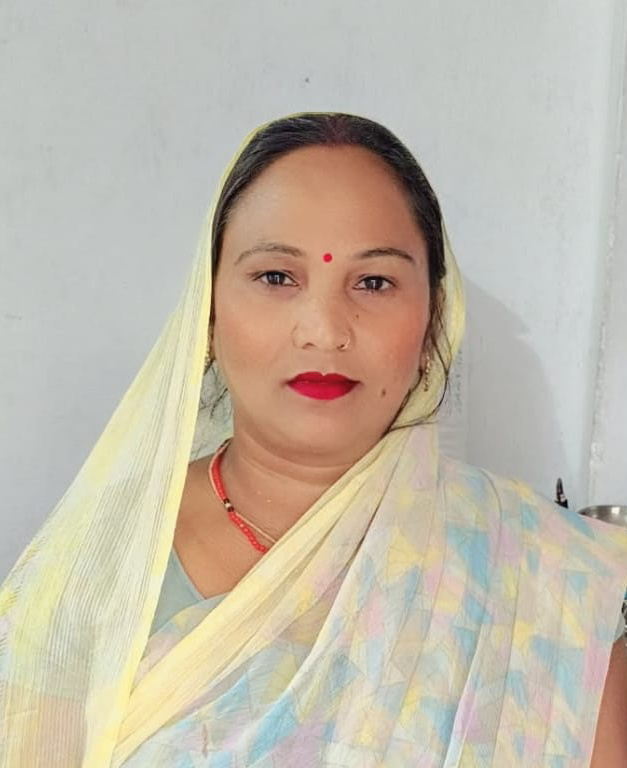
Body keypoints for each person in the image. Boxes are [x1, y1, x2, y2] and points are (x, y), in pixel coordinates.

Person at [1, 112, 626, 767]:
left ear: (433, 319)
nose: (325, 330)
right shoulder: (97, 562)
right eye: (277, 277)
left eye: (373, 282)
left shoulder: (549, 587)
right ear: (207, 312)